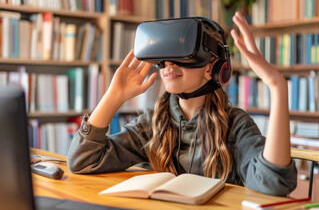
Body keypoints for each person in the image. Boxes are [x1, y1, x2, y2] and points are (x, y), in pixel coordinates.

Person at [67, 12, 297, 196]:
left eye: (182, 57)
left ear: (212, 67)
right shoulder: (154, 122)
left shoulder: (235, 123)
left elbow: (273, 185)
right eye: (164, 59)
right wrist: (113, 96)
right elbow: (83, 160)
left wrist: (278, 87)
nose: (168, 65)